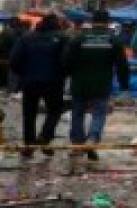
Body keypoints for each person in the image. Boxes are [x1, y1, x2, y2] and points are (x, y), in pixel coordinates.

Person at [63, 8, 130, 161]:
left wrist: (68, 75)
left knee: (77, 113)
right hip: (102, 84)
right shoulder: (113, 41)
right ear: (108, 23)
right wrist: (124, 85)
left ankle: (77, 144)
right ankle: (92, 139)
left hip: (79, 83)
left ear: (92, 21)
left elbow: (66, 61)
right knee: (99, 113)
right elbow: (122, 65)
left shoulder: (79, 39)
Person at [9, 15, 67, 158]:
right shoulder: (62, 38)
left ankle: (29, 145)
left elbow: (14, 60)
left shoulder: (26, 38)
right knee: (54, 111)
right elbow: (67, 59)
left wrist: (23, 74)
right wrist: (63, 74)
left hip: (29, 81)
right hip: (54, 82)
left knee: (29, 114)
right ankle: (45, 138)